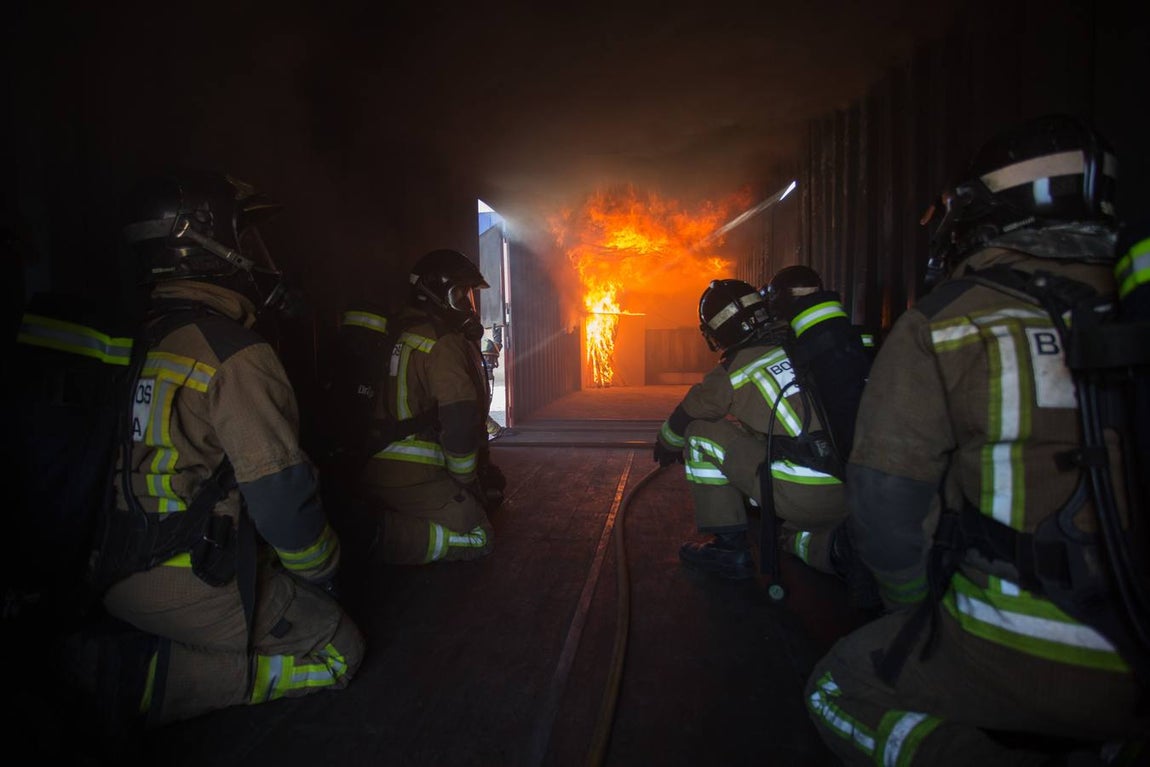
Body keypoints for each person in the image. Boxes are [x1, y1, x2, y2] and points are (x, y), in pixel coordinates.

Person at [805, 115, 1148, 764]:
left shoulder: (950, 319)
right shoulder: (1134, 303)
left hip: (1028, 649)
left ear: (990, 212)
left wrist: (906, 606)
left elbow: (885, 499)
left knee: (836, 688)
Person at [63, 170, 365, 734]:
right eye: (244, 238)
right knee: (339, 647)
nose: (256, 255)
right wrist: (324, 573)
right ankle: (130, 677)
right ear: (203, 244)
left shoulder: (146, 333)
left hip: (110, 564)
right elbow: (282, 501)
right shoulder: (235, 353)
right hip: (183, 575)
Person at [653, 278, 848, 581]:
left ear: (718, 332)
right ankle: (840, 549)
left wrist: (666, 442)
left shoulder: (733, 370)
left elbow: (688, 413)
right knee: (791, 533)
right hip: (857, 485)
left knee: (700, 434)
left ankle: (730, 550)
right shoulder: (805, 344)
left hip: (806, 494)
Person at [344, 248, 504, 566]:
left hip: (370, 466)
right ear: (433, 294)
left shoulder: (401, 332)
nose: (467, 306)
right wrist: (466, 480)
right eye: (459, 294)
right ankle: (377, 535)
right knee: (479, 535)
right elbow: (459, 421)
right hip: (413, 475)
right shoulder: (443, 342)